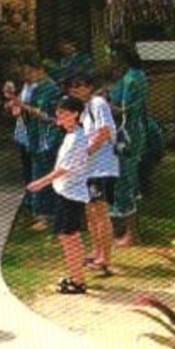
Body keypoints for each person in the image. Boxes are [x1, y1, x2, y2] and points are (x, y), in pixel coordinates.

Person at [25, 96, 91, 295]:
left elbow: (63, 169)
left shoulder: (76, 139)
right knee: (69, 237)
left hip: (71, 195)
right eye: (58, 112)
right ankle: (75, 276)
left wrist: (40, 183)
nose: (59, 116)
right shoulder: (71, 135)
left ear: (75, 115)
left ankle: (78, 282)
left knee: (69, 237)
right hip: (66, 192)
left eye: (64, 113)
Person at [66, 72, 118, 275]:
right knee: (90, 212)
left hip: (102, 168)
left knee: (101, 212)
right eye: (72, 87)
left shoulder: (98, 103)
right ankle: (96, 252)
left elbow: (104, 132)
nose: (75, 90)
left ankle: (105, 258)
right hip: (89, 169)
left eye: (79, 85)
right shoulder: (85, 109)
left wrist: (85, 153)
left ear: (89, 86)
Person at [13, 55, 62, 231]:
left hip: (48, 138)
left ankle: (47, 215)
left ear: (40, 70)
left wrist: (24, 107)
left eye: (30, 72)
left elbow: (47, 115)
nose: (27, 76)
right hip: (35, 137)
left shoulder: (50, 89)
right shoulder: (35, 88)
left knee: (45, 175)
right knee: (37, 174)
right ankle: (39, 213)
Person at [106, 43, 148, 246]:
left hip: (127, 135)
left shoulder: (131, 80)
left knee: (125, 181)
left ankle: (132, 235)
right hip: (134, 132)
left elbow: (124, 111)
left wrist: (100, 104)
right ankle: (127, 230)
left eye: (113, 57)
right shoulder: (137, 75)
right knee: (130, 179)